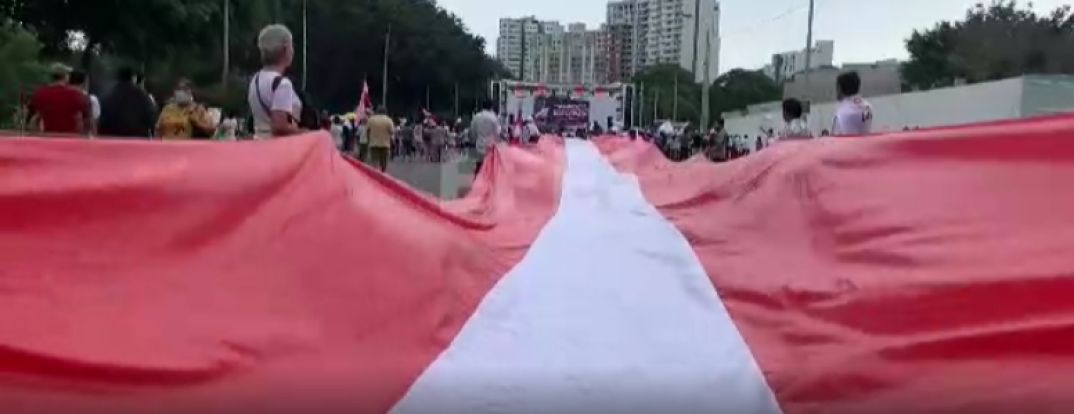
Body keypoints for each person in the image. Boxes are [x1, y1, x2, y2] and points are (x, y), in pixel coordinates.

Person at [248, 24, 303, 138]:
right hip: (278, 148)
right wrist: (309, 134)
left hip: (258, 143)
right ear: (285, 49)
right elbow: (279, 127)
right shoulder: (282, 84)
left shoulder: (256, 79)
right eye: (292, 47)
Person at [28, 63, 91, 136]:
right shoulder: (77, 95)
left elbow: (31, 120)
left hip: (48, 138)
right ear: (66, 77)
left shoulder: (39, 94)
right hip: (72, 139)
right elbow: (87, 121)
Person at [98, 67, 157, 139]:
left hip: (111, 140)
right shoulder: (141, 95)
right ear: (133, 78)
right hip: (136, 140)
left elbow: (102, 121)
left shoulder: (108, 95)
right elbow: (151, 118)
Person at [832, 71, 873, 136]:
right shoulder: (868, 107)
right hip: (866, 144)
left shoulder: (841, 114)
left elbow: (835, 140)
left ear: (839, 88)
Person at [470, 100, 501, 175]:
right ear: (491, 107)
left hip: (479, 145)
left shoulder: (476, 117)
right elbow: (497, 133)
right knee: (490, 168)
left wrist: (475, 140)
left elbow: (473, 131)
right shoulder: (494, 118)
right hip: (490, 146)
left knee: (479, 166)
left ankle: (477, 183)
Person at [68, 70, 99, 135]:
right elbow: (93, 123)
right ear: (85, 82)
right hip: (80, 137)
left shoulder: (59, 96)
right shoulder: (91, 99)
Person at [367, 106, 395, 172]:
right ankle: (383, 173)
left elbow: (368, 131)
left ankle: (375, 174)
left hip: (373, 144)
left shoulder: (371, 119)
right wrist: (392, 141)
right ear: (385, 112)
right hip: (385, 144)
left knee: (375, 161)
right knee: (384, 162)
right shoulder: (389, 120)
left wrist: (369, 140)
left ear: (377, 112)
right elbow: (391, 132)